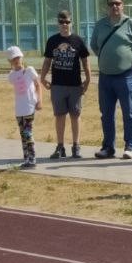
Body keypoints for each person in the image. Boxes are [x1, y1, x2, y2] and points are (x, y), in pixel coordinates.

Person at [90, 0, 132, 160]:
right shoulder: (100, 25)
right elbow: (94, 45)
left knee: (129, 113)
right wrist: (107, 58)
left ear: (123, 5)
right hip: (105, 78)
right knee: (106, 114)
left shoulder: (131, 23)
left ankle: (130, 146)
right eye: (111, 4)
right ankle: (108, 147)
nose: (114, 6)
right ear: (107, 7)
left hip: (127, 76)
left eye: (117, 3)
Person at [41, 10, 91, 159]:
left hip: (75, 85)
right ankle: (60, 146)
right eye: (61, 22)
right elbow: (47, 61)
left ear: (71, 23)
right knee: (60, 116)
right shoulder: (52, 40)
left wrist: (88, 79)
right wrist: (42, 77)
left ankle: (76, 146)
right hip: (58, 84)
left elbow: (85, 61)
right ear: (57, 23)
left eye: (67, 22)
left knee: (75, 115)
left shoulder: (78, 40)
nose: (64, 25)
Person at [5, 46, 43, 169]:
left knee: (28, 133)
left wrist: (39, 100)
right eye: (13, 59)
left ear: (22, 57)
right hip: (19, 109)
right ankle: (26, 158)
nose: (16, 60)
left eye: (18, 57)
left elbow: (38, 85)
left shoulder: (29, 70)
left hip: (29, 107)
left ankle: (32, 159)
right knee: (23, 134)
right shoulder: (11, 75)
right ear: (9, 61)